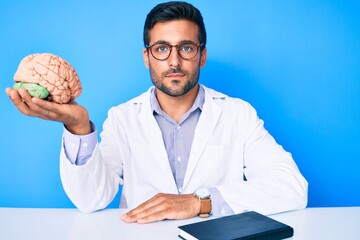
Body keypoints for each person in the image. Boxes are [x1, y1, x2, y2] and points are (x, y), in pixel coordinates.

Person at [5, 1, 308, 224]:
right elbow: (90, 200)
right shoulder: (123, 117)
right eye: (161, 48)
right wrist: (79, 127)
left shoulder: (238, 114)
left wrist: (198, 203)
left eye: (186, 48)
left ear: (201, 55)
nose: (174, 61)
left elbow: (292, 187)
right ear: (147, 57)